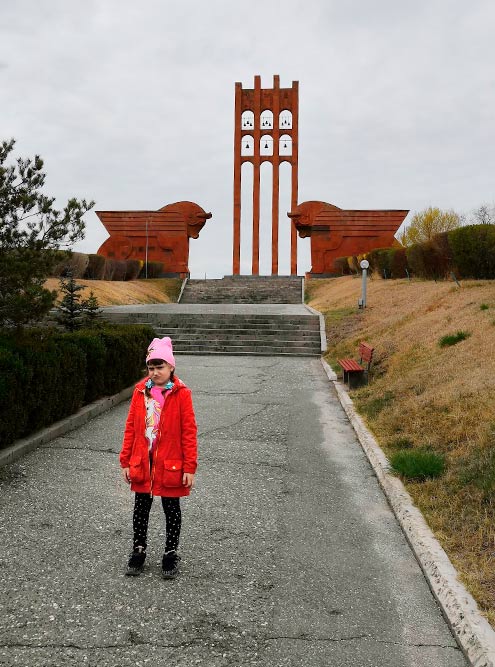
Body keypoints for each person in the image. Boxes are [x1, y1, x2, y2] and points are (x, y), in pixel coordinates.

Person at [119, 336, 197, 578]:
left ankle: (170, 552)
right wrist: (125, 460)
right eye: (151, 367)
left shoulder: (181, 394)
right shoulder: (141, 392)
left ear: (171, 366)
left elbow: (189, 431)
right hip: (143, 461)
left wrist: (189, 466)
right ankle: (138, 549)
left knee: (171, 508)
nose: (155, 372)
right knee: (141, 507)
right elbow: (131, 426)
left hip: (171, 463)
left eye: (160, 367)